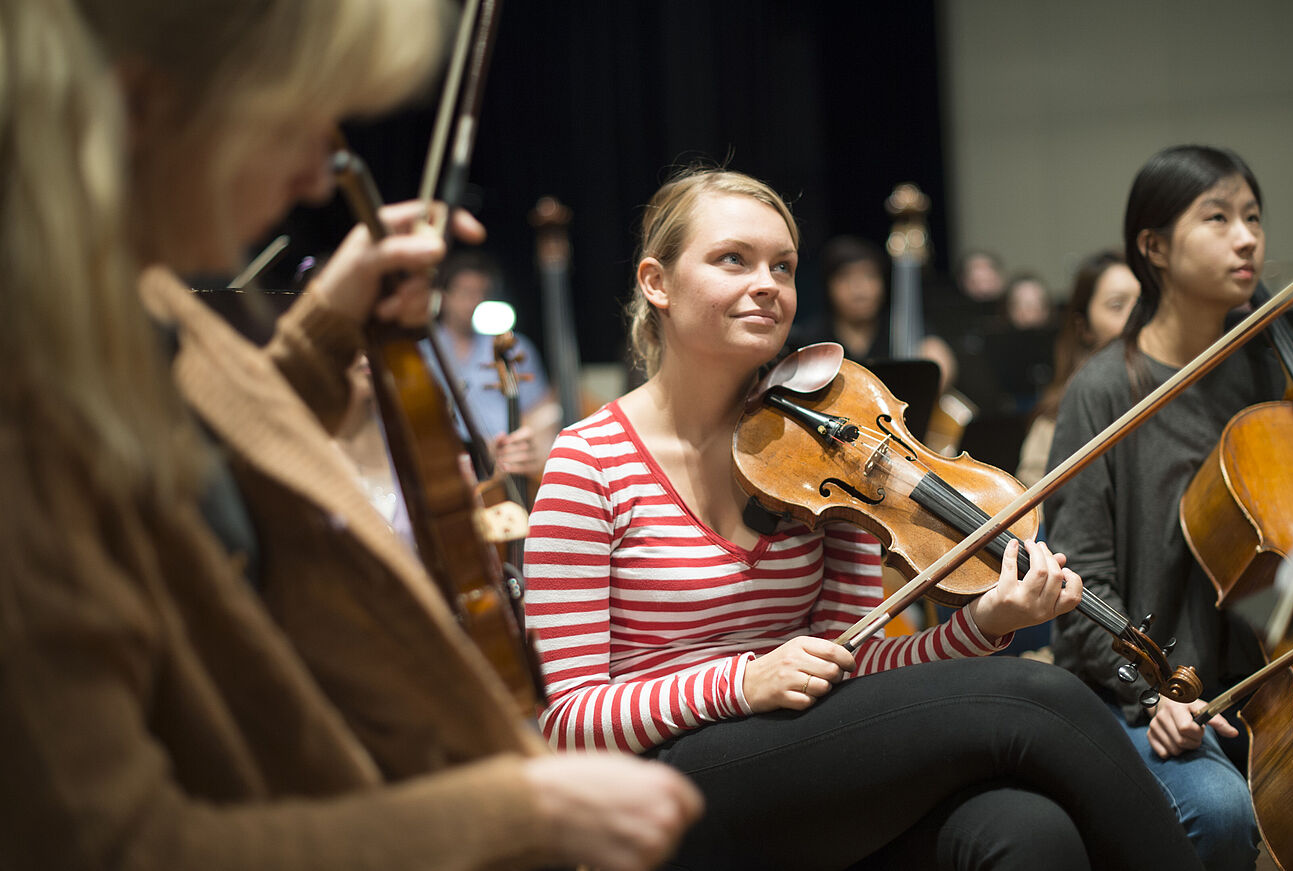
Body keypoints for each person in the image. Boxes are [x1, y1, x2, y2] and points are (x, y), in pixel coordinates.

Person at [0, 1, 702, 869]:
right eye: (297, 120)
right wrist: (514, 812)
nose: (318, 174)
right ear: (142, 110)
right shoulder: (26, 407)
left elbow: (208, 456)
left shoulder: (130, 292)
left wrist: (332, 318)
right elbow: (108, 844)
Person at [524, 167, 1206, 871]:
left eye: (783, 266)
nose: (768, 284)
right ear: (657, 283)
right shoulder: (590, 463)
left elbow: (857, 666)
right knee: (1037, 696)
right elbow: (566, 719)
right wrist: (743, 682)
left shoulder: (819, 445)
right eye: (734, 259)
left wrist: (985, 623)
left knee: (1026, 830)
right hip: (665, 784)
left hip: (805, 763)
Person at [1045, 145, 1284, 871]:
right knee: (1217, 808)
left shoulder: (1268, 370)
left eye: (1252, 217)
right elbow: (1078, 589)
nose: (1246, 237)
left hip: (1268, 681)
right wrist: (1153, 695)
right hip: (1141, 698)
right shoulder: (1102, 393)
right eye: (1217, 218)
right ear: (1153, 247)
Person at [432, 248, 559, 480]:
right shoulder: (425, 351)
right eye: (466, 292)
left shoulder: (513, 347)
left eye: (482, 293)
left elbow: (542, 409)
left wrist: (523, 444)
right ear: (444, 296)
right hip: (447, 469)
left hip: (508, 466)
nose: (475, 301)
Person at [1015, 250, 1139, 483]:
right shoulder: (1052, 424)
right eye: (1117, 305)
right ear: (1084, 327)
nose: (1136, 316)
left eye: (1142, 303)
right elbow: (1036, 515)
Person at [789, 234, 958, 392]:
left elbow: (939, 361)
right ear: (828, 286)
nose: (859, 289)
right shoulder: (811, 338)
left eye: (869, 276)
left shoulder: (902, 327)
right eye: (845, 277)